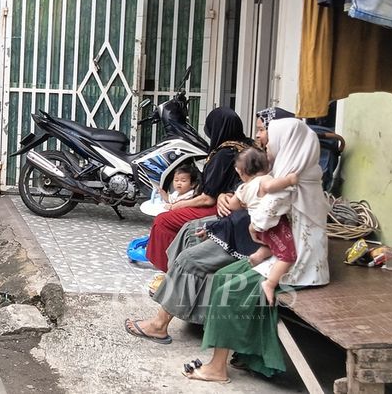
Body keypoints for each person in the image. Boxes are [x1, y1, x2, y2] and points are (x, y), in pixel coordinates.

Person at [125, 107, 296, 344]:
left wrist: (230, 202)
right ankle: (188, 309)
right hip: (239, 223)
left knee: (188, 258)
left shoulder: (284, 167)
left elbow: (261, 203)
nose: (257, 136)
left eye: (261, 130)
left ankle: (159, 325)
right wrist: (229, 196)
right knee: (189, 233)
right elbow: (246, 190)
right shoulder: (269, 157)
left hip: (253, 237)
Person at [185, 118, 329, 383]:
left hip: (296, 266)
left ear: (289, 143)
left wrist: (253, 225)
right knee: (223, 278)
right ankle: (245, 355)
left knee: (229, 286)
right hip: (289, 255)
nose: (266, 143)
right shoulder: (302, 175)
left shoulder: (291, 182)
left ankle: (218, 367)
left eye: (269, 136)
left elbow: (264, 217)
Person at [145, 107, 253, 272]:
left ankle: (169, 271)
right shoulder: (247, 146)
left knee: (163, 221)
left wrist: (177, 205)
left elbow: (207, 198)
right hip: (234, 203)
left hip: (219, 207)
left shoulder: (224, 154)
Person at [230, 147, 300, 306]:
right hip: (272, 227)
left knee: (275, 247)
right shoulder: (264, 180)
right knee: (288, 255)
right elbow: (270, 187)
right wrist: (289, 180)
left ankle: (258, 256)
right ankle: (270, 283)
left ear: (240, 172)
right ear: (266, 167)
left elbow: (233, 205)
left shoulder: (243, 188)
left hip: (259, 228)